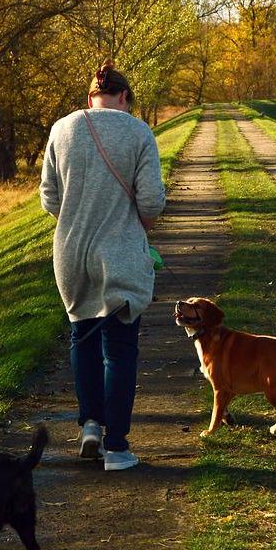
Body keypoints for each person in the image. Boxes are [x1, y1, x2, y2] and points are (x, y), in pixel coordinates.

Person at [39, 60, 166, 471]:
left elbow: (49, 199)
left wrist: (79, 217)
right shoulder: (138, 131)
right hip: (121, 253)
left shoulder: (62, 129)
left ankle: (90, 425)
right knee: (120, 349)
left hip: (71, 253)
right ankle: (117, 447)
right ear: (125, 97)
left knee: (83, 339)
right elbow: (150, 203)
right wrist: (136, 221)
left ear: (89, 98)